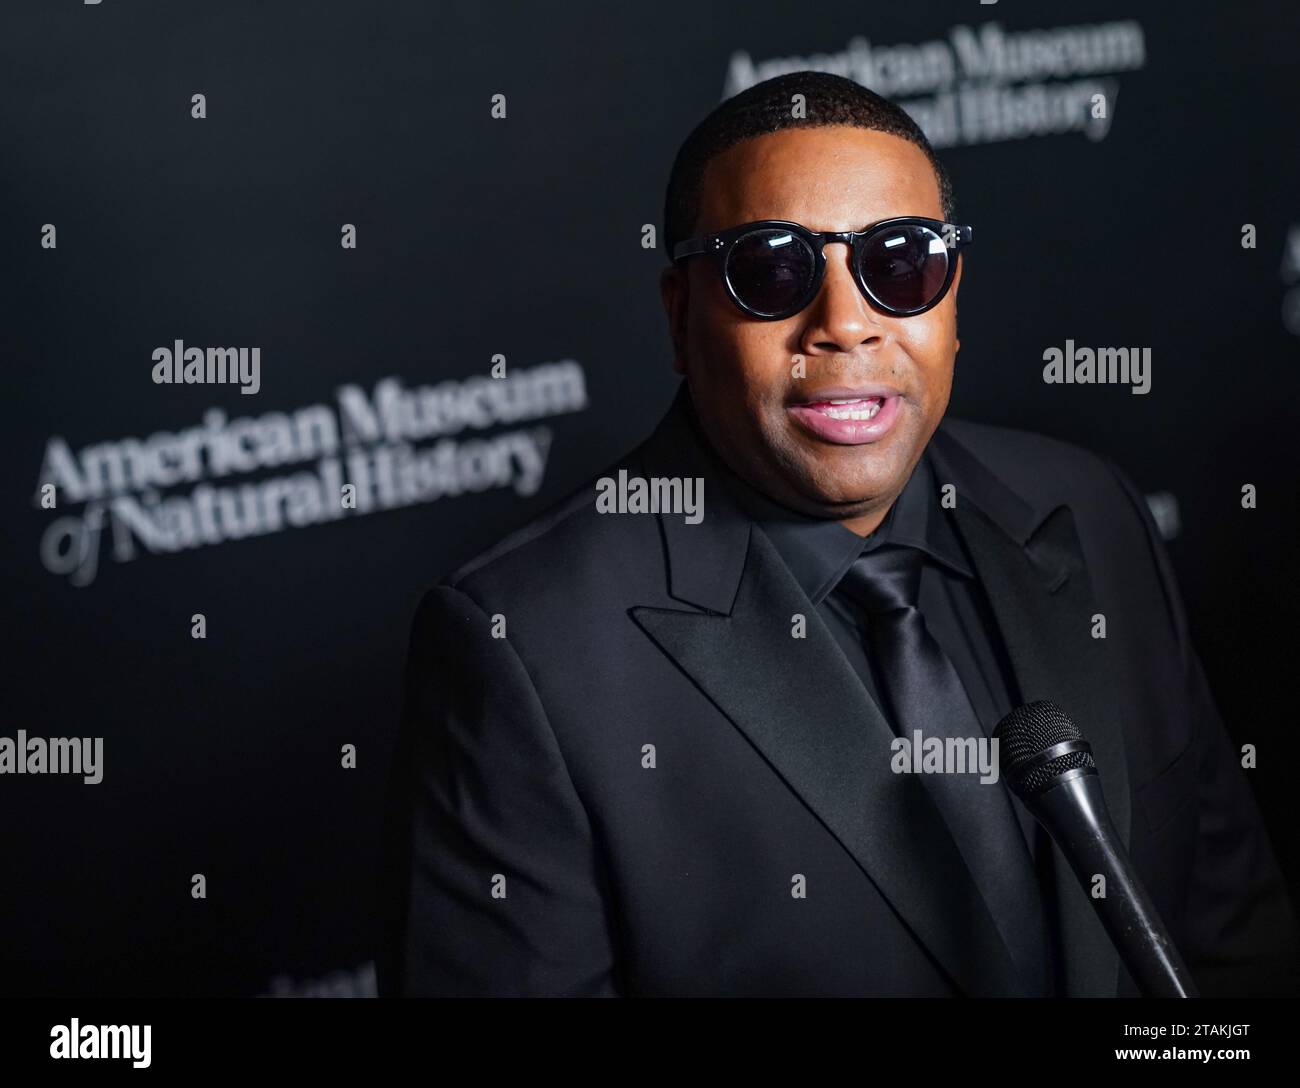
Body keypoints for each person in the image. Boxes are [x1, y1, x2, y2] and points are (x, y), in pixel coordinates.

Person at [379, 71, 1297, 997]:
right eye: (772, 269)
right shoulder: (521, 647)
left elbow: (1230, 943)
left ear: (950, 298)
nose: (846, 324)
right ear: (679, 314)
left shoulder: (1090, 507)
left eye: (900, 263)